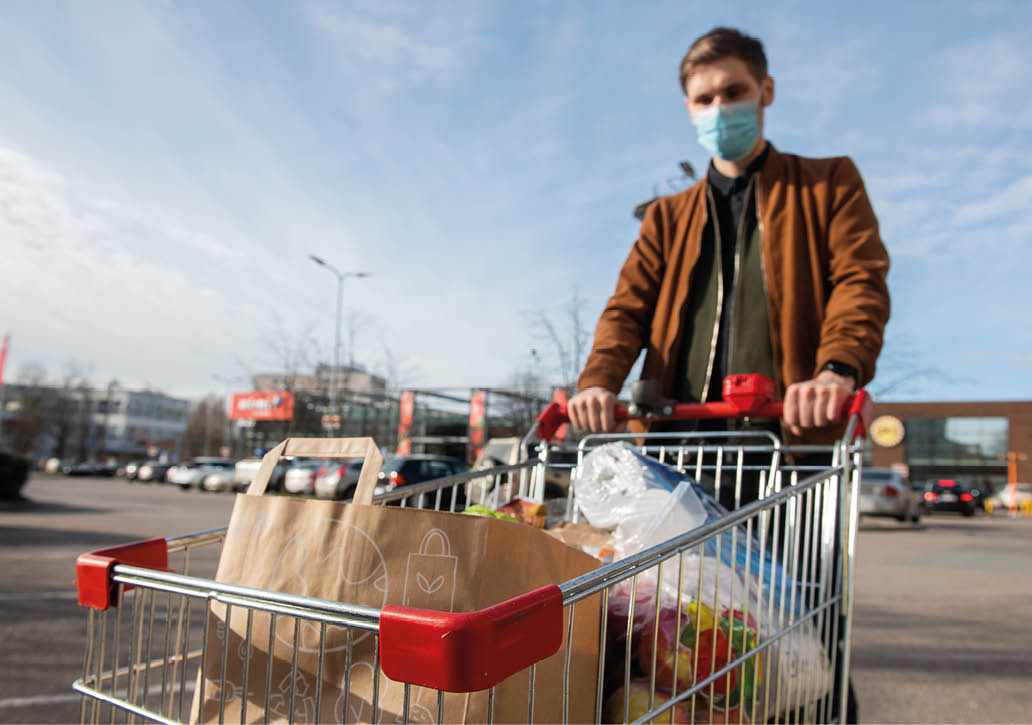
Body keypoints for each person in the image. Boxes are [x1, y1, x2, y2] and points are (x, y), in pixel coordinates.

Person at [566, 27, 890, 723]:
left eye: (734, 92)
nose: (721, 108)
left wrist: (834, 369)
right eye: (705, 98)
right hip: (683, 461)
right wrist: (599, 381)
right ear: (689, 108)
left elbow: (859, 283)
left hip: (789, 454)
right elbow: (627, 308)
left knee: (801, 642)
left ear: (765, 93)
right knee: (669, 643)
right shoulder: (667, 219)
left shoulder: (828, 185)